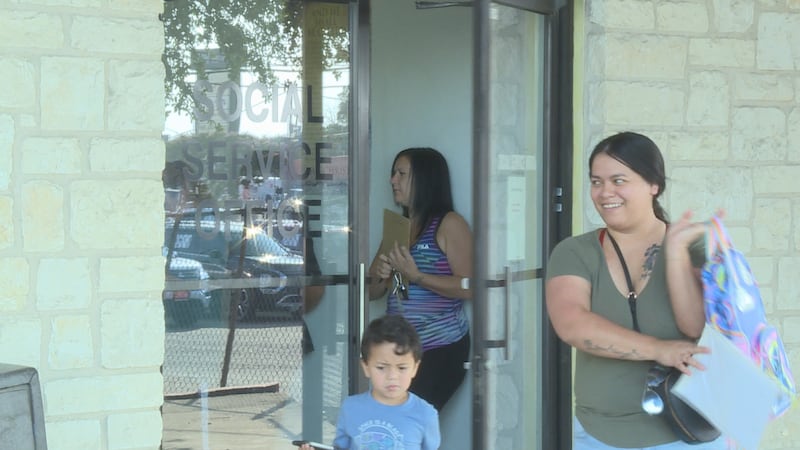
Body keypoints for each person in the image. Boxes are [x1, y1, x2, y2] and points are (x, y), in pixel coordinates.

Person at [545, 131, 725, 449]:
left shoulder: (694, 244)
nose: (604, 192)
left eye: (618, 180)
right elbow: (572, 325)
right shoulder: (574, 252)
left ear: (653, 185)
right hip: (600, 435)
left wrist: (677, 255)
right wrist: (659, 349)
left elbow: (695, 326)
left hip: (688, 433)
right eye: (596, 181)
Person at [367, 147, 472, 412]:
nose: (393, 180)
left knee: (408, 424)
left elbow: (470, 286)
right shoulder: (399, 226)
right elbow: (377, 292)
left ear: (425, 179)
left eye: (401, 174)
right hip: (399, 349)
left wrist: (418, 276)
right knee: (395, 425)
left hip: (440, 348)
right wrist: (381, 277)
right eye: (393, 174)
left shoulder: (449, 224)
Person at [296, 314, 441, 450]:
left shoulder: (426, 414)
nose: (392, 376)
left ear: (415, 368)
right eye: (381, 367)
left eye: (402, 367)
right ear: (366, 367)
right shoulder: (351, 408)